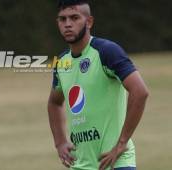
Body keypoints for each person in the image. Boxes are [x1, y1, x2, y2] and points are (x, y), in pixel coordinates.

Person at [48, 0, 149, 170]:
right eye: (62, 19)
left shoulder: (106, 51)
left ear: (89, 22)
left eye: (74, 18)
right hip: (81, 165)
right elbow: (54, 102)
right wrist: (60, 142)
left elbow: (140, 92)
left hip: (117, 164)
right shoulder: (62, 62)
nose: (68, 24)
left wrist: (121, 143)